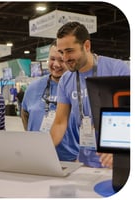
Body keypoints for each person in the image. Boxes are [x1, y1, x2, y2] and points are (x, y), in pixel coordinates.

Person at [50, 22, 130, 168]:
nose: (65, 58)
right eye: (61, 52)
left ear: (86, 46)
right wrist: (43, 150)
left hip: (116, 161)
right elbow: (60, 122)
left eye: (69, 51)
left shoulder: (116, 69)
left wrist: (120, 148)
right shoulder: (66, 80)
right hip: (84, 162)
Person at [21, 41, 79, 161]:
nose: (56, 64)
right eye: (52, 59)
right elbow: (25, 113)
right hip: (37, 158)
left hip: (71, 160)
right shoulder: (33, 87)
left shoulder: (79, 87)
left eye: (61, 60)